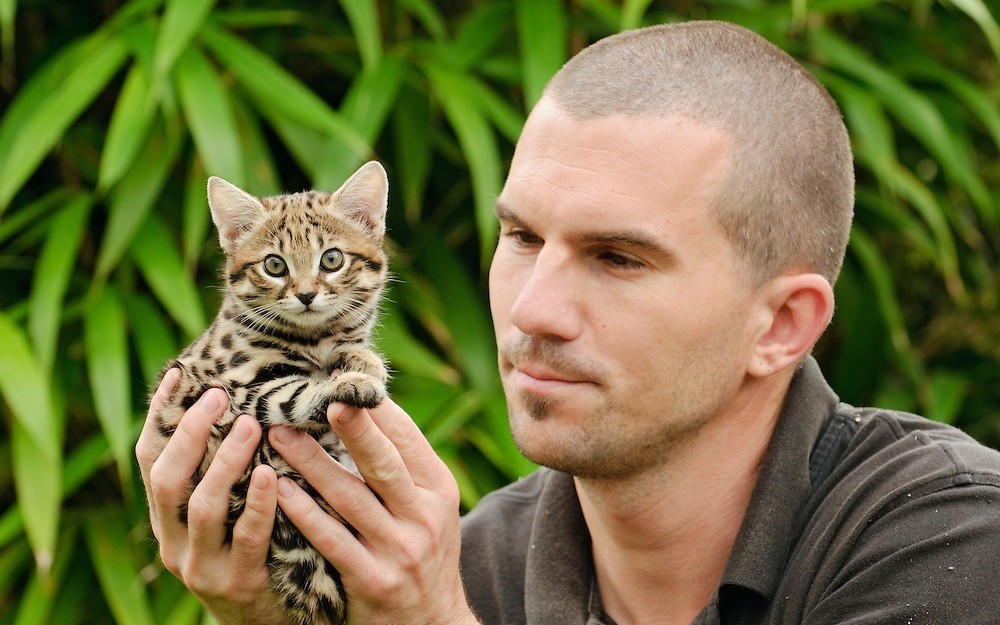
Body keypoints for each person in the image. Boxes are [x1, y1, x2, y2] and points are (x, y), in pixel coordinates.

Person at [136, 20, 1000, 625]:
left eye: (618, 257)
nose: (530, 308)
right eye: (520, 236)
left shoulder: (945, 539)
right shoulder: (475, 561)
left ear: (781, 324)